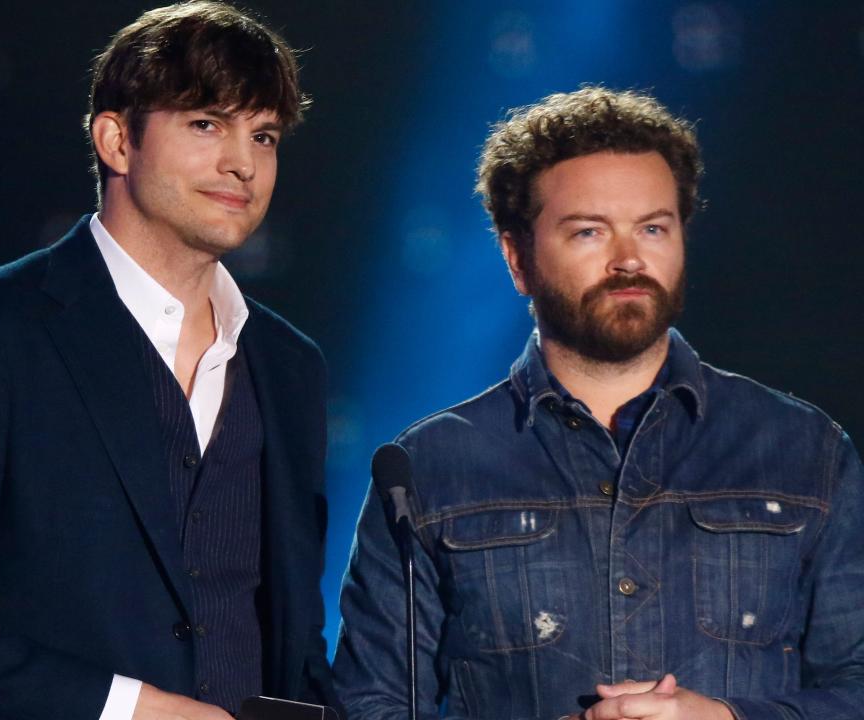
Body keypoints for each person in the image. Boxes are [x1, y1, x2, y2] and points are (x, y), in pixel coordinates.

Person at [332, 86, 864, 719]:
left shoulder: (804, 448)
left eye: (653, 228)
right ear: (517, 259)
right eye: (589, 231)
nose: (630, 260)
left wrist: (727, 718)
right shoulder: (427, 467)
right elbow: (369, 707)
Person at [0, 3, 336, 719]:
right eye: (206, 123)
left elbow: (295, 643)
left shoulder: (290, 365)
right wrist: (128, 708)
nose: (242, 162)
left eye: (263, 135)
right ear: (116, 140)